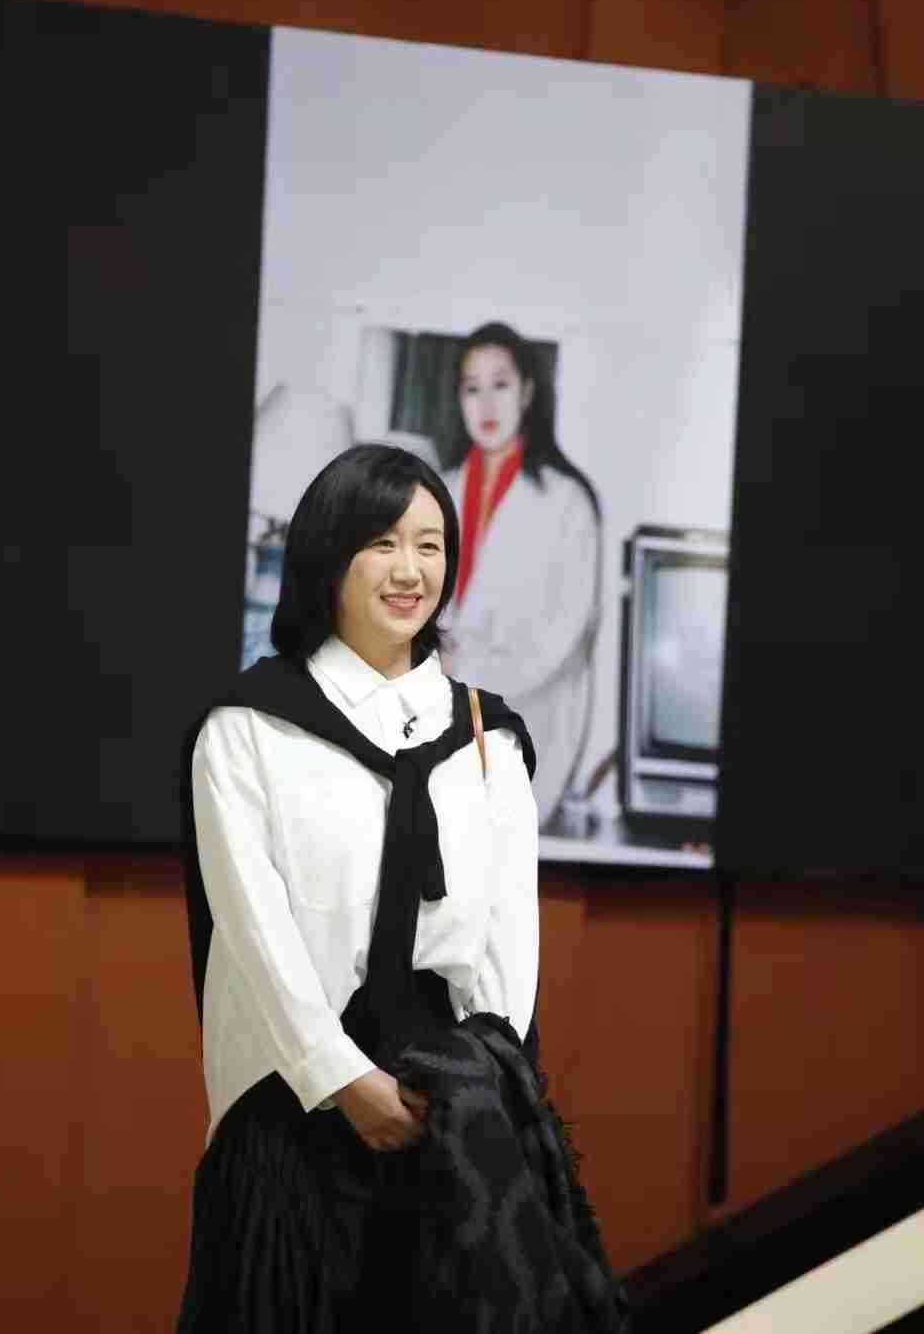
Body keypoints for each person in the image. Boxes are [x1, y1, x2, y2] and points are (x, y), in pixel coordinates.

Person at [176, 443, 627, 1333]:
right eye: (382, 543)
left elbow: (508, 934)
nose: (410, 570)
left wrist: (487, 1074)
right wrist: (342, 1079)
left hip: (449, 1108)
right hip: (293, 1099)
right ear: (327, 555)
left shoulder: (489, 737)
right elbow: (253, 928)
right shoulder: (248, 729)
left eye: (429, 545)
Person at [444, 322, 603, 828]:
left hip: (527, 729)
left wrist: (470, 671)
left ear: (528, 392)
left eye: (501, 384)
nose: (487, 404)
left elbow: (565, 639)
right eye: (472, 388)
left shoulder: (568, 503)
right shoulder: (439, 491)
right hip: (440, 731)